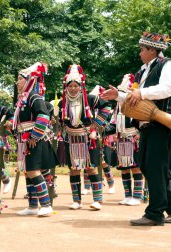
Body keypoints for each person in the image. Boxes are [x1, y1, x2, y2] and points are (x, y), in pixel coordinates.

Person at [101, 32, 171, 225]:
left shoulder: (169, 65)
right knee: (148, 165)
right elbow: (137, 100)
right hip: (148, 126)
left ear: (152, 50)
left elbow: (168, 88)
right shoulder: (142, 71)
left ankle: (155, 214)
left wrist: (141, 92)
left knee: (156, 167)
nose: (140, 53)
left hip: (163, 124)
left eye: (142, 49)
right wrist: (118, 96)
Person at [59, 65, 112, 210]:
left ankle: (97, 200)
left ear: (81, 86)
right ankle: (77, 201)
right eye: (70, 86)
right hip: (71, 139)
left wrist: (96, 125)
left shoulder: (89, 98)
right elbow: (59, 120)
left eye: (76, 85)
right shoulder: (62, 102)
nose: (73, 89)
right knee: (74, 169)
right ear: (66, 87)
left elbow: (107, 107)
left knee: (91, 168)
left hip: (88, 139)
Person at [12, 62, 56, 217]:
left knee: (33, 171)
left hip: (33, 139)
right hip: (25, 139)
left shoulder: (34, 96)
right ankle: (32, 206)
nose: (17, 82)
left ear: (29, 80)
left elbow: (44, 116)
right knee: (28, 172)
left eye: (20, 79)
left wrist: (35, 136)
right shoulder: (23, 98)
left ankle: (46, 205)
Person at [111, 74, 144, 206]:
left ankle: (137, 196)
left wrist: (139, 133)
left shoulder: (137, 105)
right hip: (121, 139)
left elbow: (143, 120)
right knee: (124, 168)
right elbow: (114, 123)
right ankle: (127, 195)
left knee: (136, 167)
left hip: (133, 138)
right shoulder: (117, 108)